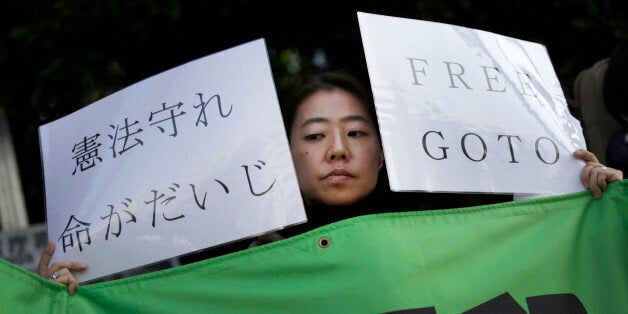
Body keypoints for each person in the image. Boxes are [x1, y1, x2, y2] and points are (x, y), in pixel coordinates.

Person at [38, 70, 624, 295]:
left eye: (357, 132)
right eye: (314, 136)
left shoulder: (460, 226)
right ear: (282, 154)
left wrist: (590, 200)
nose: (338, 150)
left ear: (385, 152)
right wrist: (59, 299)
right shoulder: (230, 261)